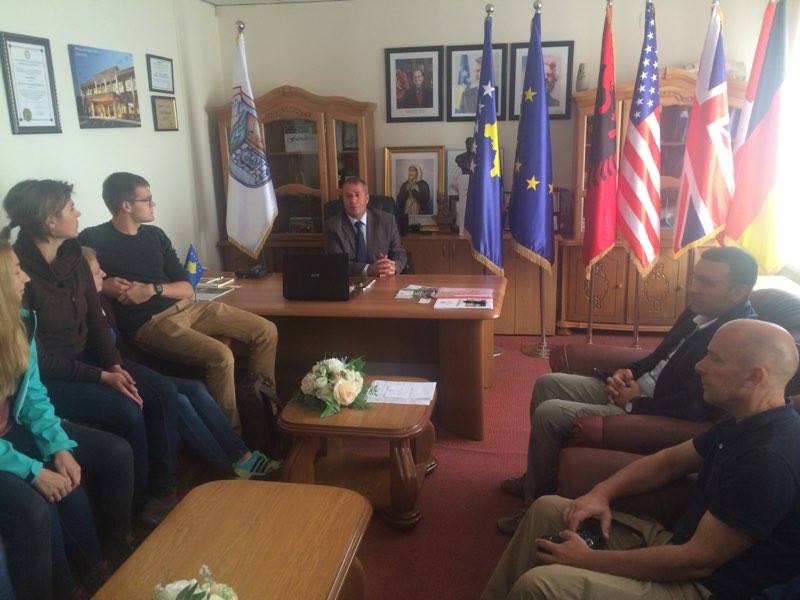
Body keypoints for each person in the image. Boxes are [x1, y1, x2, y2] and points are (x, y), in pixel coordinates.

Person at [482, 319, 800, 600]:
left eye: (715, 359)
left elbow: (698, 561)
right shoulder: (744, 420)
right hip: (676, 545)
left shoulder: (768, 460)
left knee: (541, 586)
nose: (699, 366)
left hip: (704, 587)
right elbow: (669, 462)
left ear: (753, 377)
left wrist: (585, 560)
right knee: (547, 509)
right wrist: (601, 493)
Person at [497, 247, 759, 534]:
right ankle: (537, 477)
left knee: (550, 413)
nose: (693, 288)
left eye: (706, 282)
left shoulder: (738, 339)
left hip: (652, 411)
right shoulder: (700, 310)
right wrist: (628, 372)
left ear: (738, 292)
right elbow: (657, 356)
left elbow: (694, 407)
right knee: (548, 383)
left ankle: (535, 505)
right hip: (636, 390)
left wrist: (634, 403)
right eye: (695, 278)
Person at [3, 179, 178, 526]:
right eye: (71, 208)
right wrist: (103, 376)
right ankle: (136, 506)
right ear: (49, 221)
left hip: (91, 360)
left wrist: (115, 364)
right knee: (128, 410)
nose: (78, 213)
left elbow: (96, 323)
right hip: (53, 375)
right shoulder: (16, 272)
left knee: (163, 392)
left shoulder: (74, 255)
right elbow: (38, 360)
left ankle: (164, 491)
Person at [78, 172, 280, 429]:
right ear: (126, 205)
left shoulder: (155, 235)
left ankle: (263, 410)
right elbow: (78, 274)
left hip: (187, 307)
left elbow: (186, 288)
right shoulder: (94, 238)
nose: (153, 204)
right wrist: (105, 286)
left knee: (266, 331)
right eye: (147, 200)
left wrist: (153, 289)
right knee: (222, 356)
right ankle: (234, 435)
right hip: (151, 323)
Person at [0, 240, 133, 600]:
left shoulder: (20, 323)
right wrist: (32, 471)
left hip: (13, 431)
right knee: (35, 509)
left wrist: (57, 445)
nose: (26, 278)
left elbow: (33, 396)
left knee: (107, 457)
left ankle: (104, 566)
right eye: (16, 271)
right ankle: (67, 590)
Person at [82, 246, 279, 479]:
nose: (104, 273)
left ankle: (252, 438)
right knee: (189, 389)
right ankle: (231, 465)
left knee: (199, 387)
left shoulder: (151, 239)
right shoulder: (87, 295)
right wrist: (115, 370)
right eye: (97, 272)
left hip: (149, 342)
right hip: (125, 358)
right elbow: (107, 348)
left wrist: (153, 289)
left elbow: (187, 287)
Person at [324, 176, 407, 277]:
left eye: (357, 195)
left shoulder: (387, 221)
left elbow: (399, 252)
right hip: (350, 282)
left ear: (366, 198)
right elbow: (337, 263)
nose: (353, 200)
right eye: (348, 196)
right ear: (343, 200)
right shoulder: (333, 227)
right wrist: (368, 269)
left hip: (383, 280)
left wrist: (393, 266)